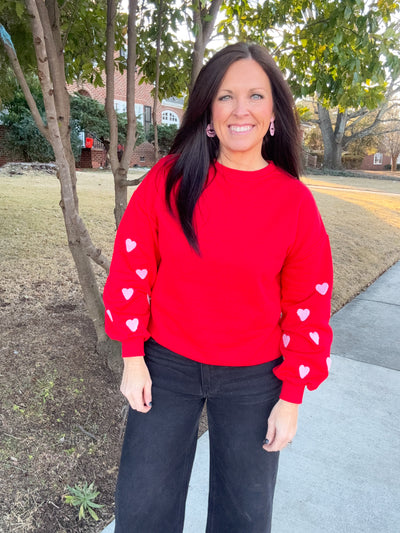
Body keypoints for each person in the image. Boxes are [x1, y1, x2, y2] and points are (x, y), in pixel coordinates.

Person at [103, 42, 333, 533]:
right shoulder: (170, 179)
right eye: (226, 97)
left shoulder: (294, 203)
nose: (240, 110)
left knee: (244, 520)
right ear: (209, 110)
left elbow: (307, 305)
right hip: (166, 367)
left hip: (255, 380)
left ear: (274, 112)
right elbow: (131, 268)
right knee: (142, 512)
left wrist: (291, 396)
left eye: (255, 96)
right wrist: (132, 356)